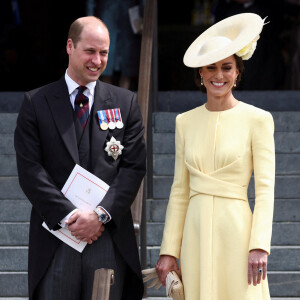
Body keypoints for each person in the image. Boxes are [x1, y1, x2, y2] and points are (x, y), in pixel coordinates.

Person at [14, 16, 146, 300]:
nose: (97, 60)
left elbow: (133, 168)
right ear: (70, 46)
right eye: (90, 51)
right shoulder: (36, 103)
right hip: (57, 236)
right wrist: (71, 216)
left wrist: (99, 215)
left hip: (106, 235)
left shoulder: (126, 103)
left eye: (104, 53)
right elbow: (30, 170)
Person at [155, 13, 275, 300]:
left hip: (238, 233)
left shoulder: (258, 119)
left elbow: (266, 189)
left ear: (237, 73)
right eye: (211, 67)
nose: (218, 75)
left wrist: (259, 244)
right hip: (194, 235)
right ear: (201, 73)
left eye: (227, 67)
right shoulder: (184, 122)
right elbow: (180, 191)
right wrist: (169, 250)